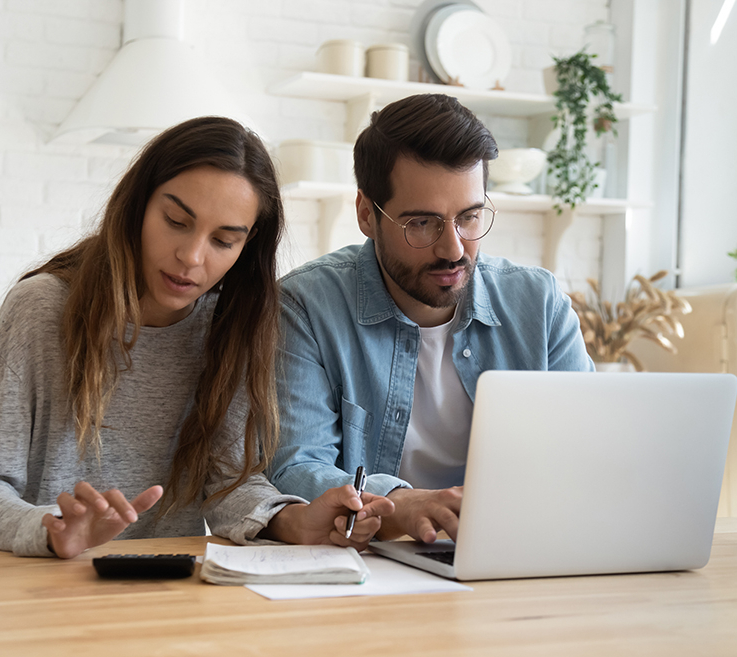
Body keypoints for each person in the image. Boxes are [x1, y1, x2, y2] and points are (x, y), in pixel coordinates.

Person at [0, 116, 392, 559]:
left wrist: (295, 521)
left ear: (247, 245)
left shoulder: (229, 324)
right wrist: (51, 528)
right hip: (40, 583)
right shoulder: (42, 309)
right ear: (139, 203)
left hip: (166, 586)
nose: (191, 257)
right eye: (175, 220)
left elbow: (228, 485)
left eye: (224, 240)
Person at [269, 94, 594, 545]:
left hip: (517, 549)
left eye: (469, 216)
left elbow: (589, 450)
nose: (454, 249)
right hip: (373, 562)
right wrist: (401, 504)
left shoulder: (539, 304)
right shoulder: (304, 306)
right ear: (366, 214)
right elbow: (295, 466)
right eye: (421, 223)